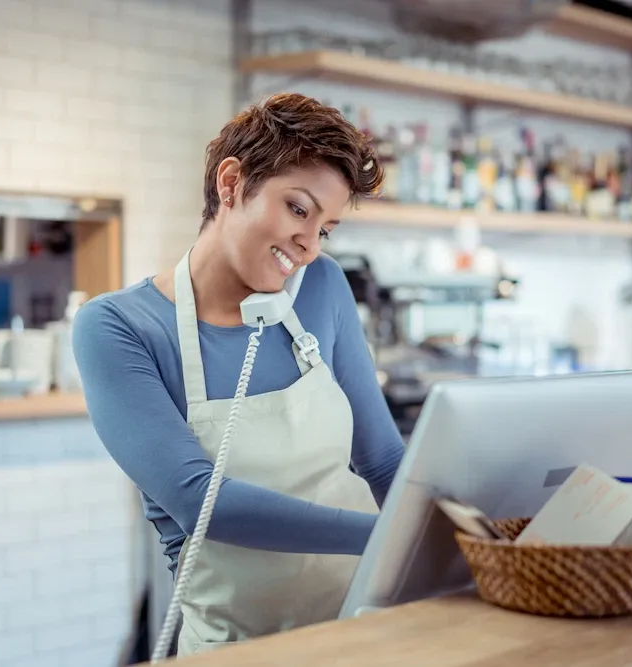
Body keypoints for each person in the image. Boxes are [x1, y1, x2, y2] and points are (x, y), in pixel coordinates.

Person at [72, 93, 405, 655]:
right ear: (231, 183)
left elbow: (383, 460)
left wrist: (456, 530)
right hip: (235, 648)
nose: (307, 246)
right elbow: (203, 501)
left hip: (359, 629)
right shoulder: (117, 328)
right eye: (299, 209)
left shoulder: (321, 288)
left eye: (325, 228)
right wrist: (395, 536)